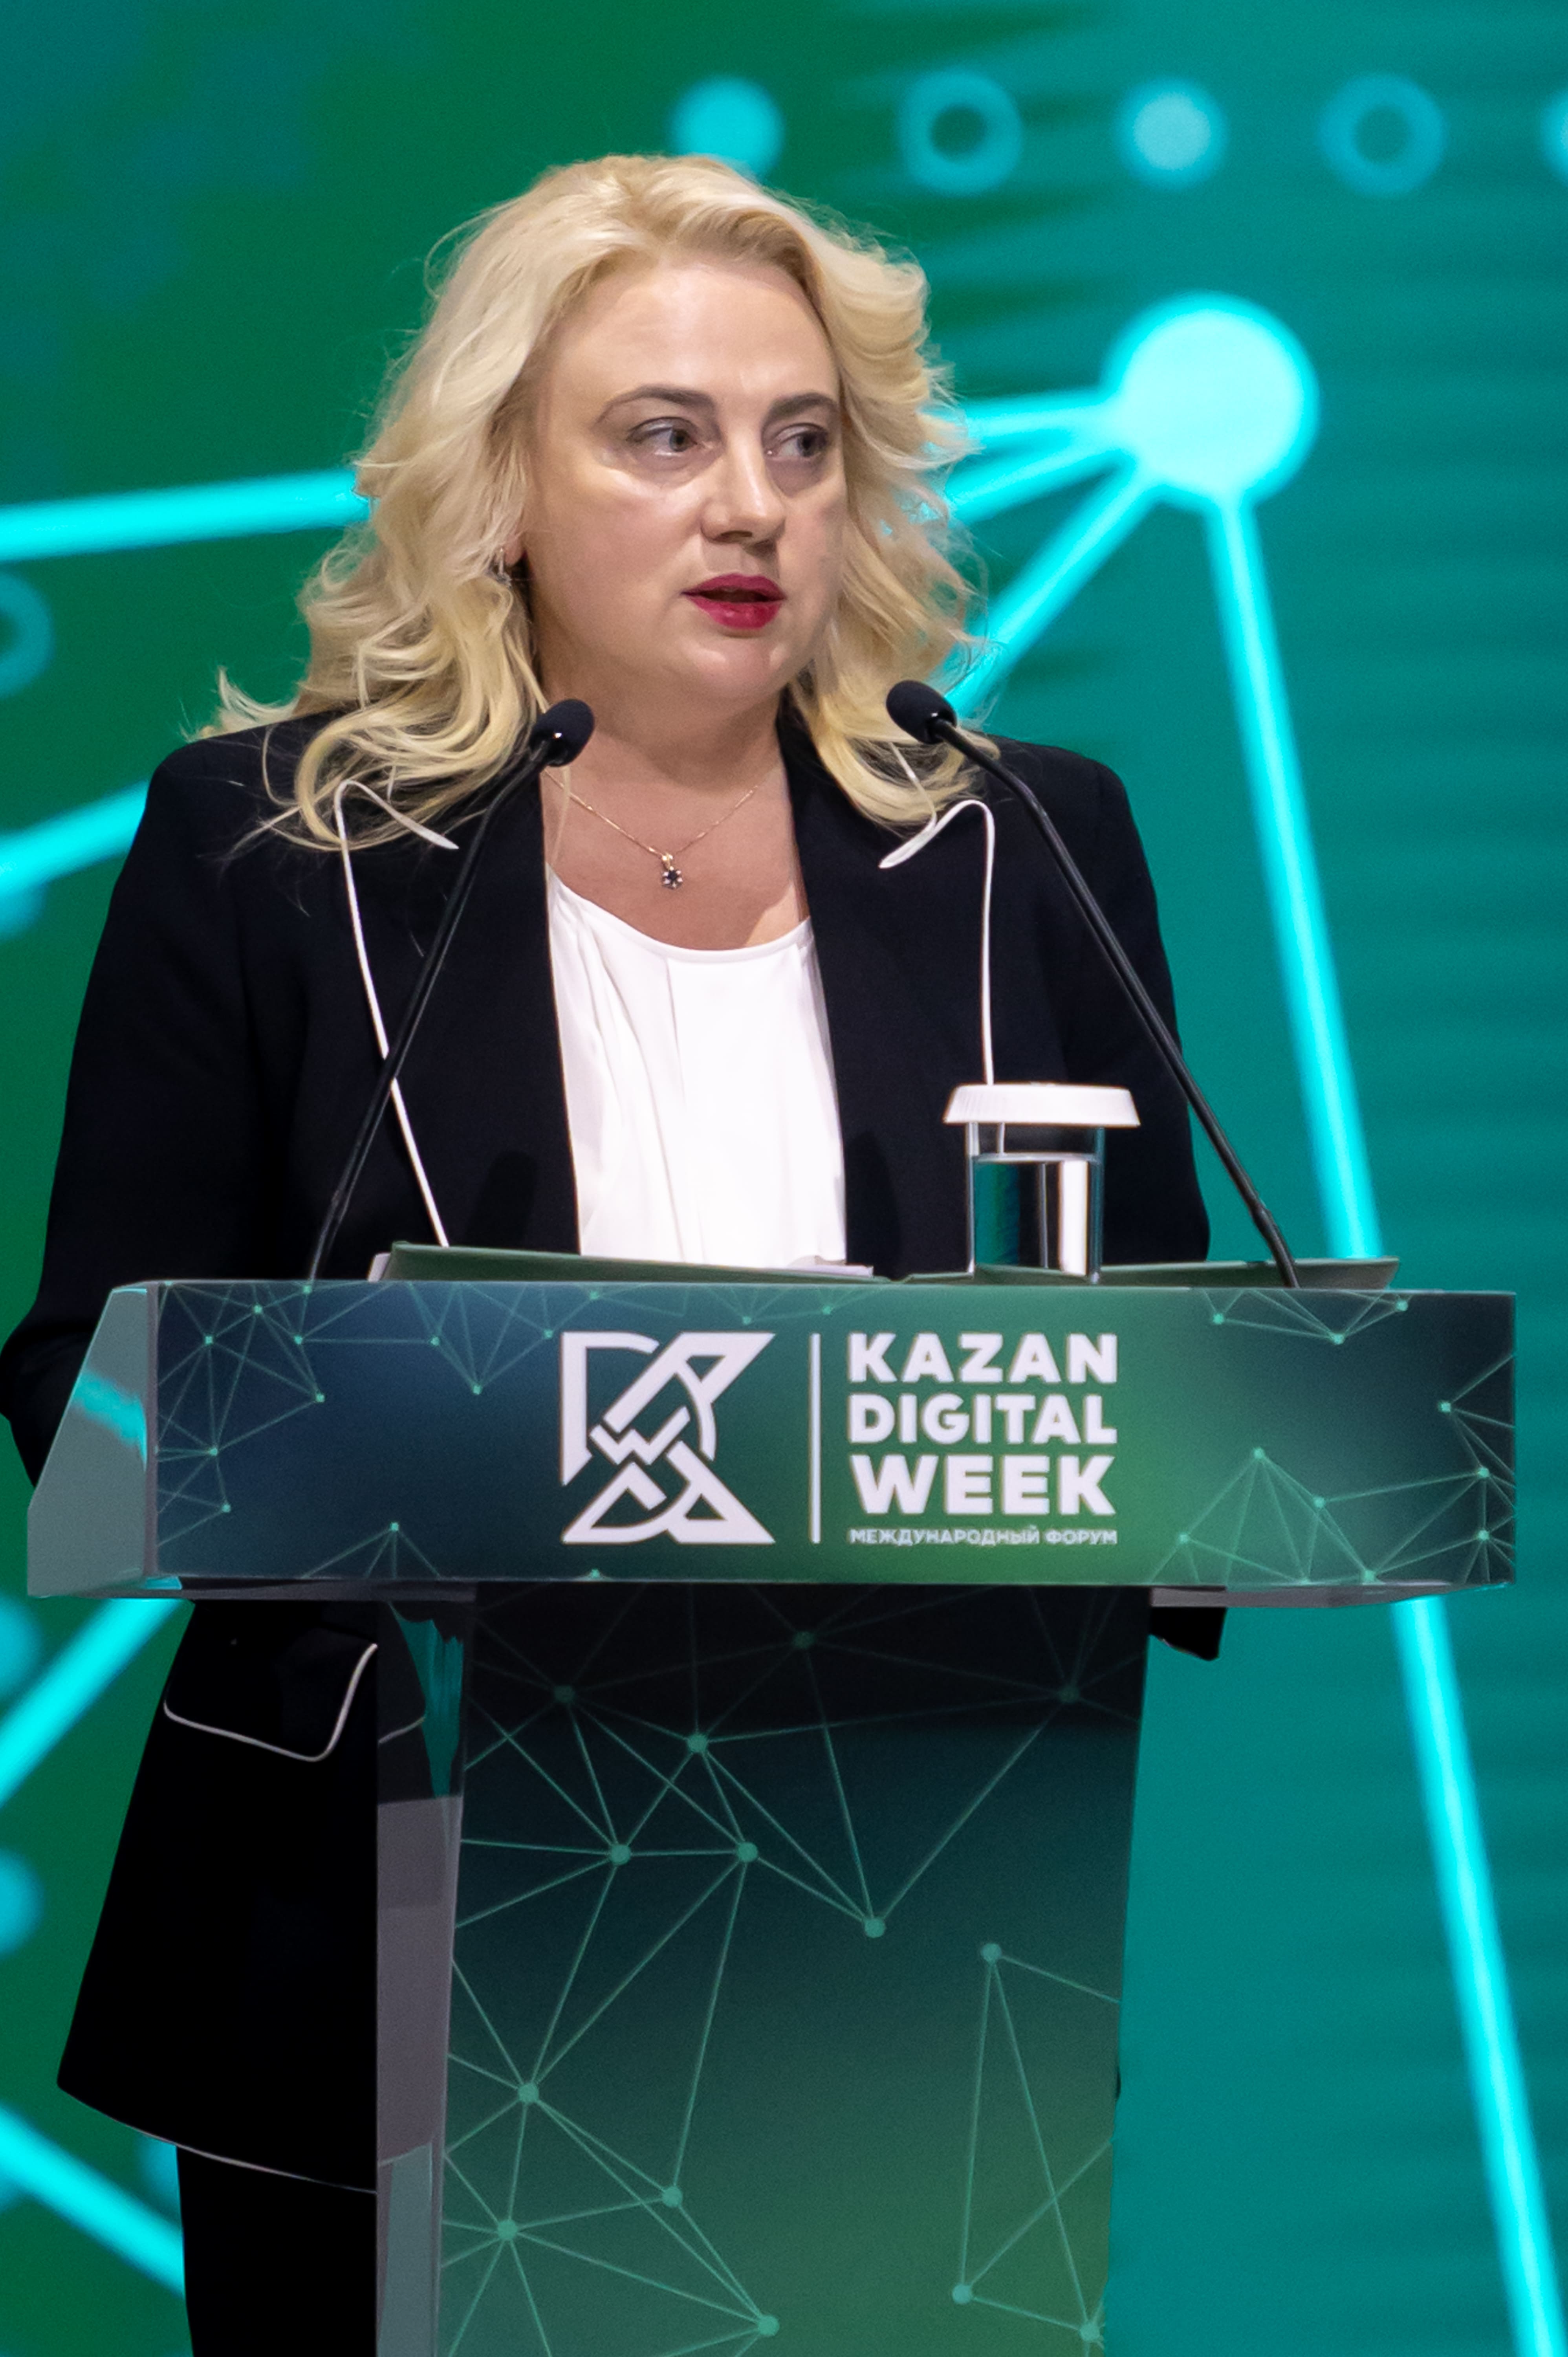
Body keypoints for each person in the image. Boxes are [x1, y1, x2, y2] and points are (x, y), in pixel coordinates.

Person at [0, 153, 1209, 2350]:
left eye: (801, 441)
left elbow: (1164, 1402)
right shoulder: (278, 851)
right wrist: (413, 1439)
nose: (749, 504)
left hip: (899, 1929)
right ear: (500, 491)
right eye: (663, 436)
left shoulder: (1018, 839)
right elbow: (83, 1373)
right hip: (384, 1919)